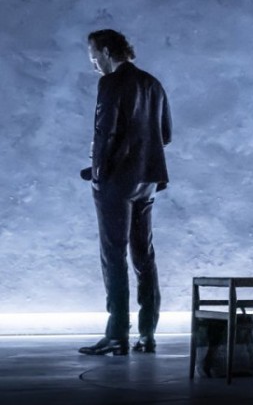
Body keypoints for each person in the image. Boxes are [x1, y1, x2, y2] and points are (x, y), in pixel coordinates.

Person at [78, 29, 172, 356]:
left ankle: (117, 333)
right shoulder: (152, 83)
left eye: (93, 56)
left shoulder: (110, 83)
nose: (93, 64)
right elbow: (165, 134)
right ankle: (147, 333)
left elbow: (105, 131)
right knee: (144, 255)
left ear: (106, 51)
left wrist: (97, 172)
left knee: (113, 254)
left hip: (117, 180)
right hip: (148, 179)